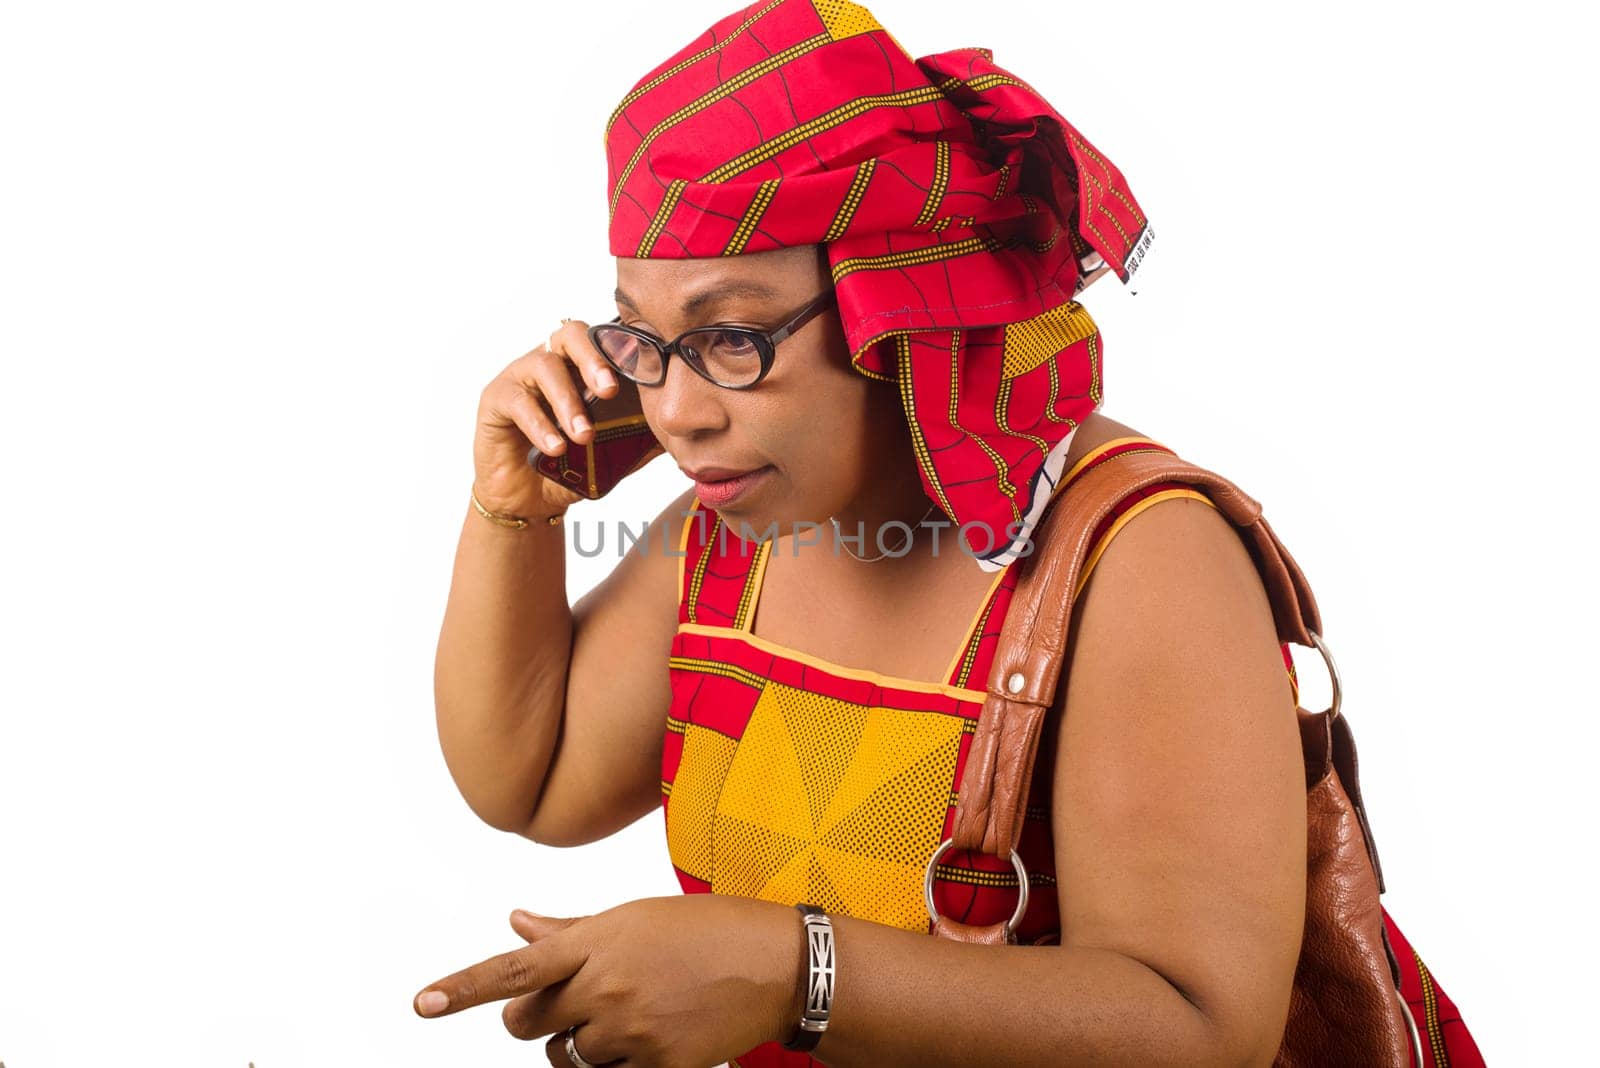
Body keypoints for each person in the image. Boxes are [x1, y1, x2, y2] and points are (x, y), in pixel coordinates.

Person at [417, 2, 1307, 1066]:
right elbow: (535, 781)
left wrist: (793, 971)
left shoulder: (1136, 558)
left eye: (732, 337)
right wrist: (514, 509)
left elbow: (1208, 1036)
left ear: (900, 311)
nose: (674, 413)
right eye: (643, 339)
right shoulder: (731, 530)